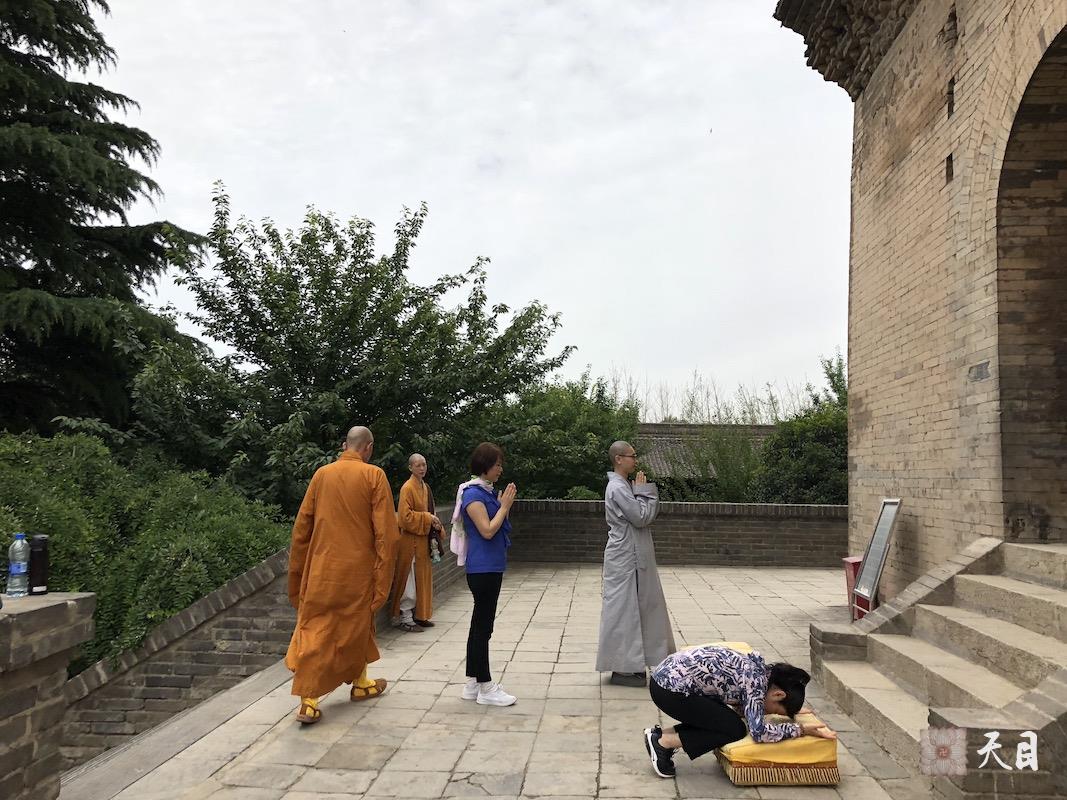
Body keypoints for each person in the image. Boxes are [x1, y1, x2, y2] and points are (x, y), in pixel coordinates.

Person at [285, 426, 399, 724]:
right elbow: (386, 534)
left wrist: (297, 574)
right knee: (357, 625)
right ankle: (321, 695)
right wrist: (383, 576)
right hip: (358, 571)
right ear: (369, 448)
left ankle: (319, 699)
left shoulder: (322, 475)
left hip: (322, 569)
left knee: (316, 629)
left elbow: (302, 529)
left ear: (344, 445)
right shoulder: (374, 476)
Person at [642, 644, 836, 778]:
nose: (770, 714)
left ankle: (659, 735)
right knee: (734, 729)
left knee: (726, 718)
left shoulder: (758, 670)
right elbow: (759, 733)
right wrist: (801, 730)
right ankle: (663, 743)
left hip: (665, 680)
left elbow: (741, 708)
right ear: (778, 695)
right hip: (669, 691)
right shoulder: (756, 682)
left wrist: (794, 711)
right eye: (776, 711)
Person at [596, 440, 675, 687]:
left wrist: (640, 491)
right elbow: (641, 517)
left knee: (640, 608)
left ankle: (635, 663)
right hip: (624, 558)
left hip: (630, 555)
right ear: (618, 459)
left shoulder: (622, 485)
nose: (635, 460)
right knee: (624, 611)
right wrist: (643, 491)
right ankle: (624, 666)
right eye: (631, 456)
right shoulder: (617, 487)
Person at [457, 442, 518, 706]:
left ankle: (472, 682)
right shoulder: (473, 495)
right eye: (496, 465)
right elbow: (487, 530)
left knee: (480, 626)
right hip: (482, 568)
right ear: (485, 465)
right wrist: (504, 506)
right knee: (483, 628)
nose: (500, 470)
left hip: (491, 566)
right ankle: (486, 686)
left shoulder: (486, 492)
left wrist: (502, 503)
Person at [389, 453, 444, 632]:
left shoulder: (425, 487)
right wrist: (427, 518)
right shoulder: (408, 487)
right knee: (409, 581)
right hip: (410, 542)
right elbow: (404, 518)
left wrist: (434, 522)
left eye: (424, 464)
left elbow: (430, 510)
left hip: (423, 540)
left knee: (422, 580)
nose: (422, 468)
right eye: (418, 465)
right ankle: (405, 617)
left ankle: (420, 615)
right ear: (410, 468)